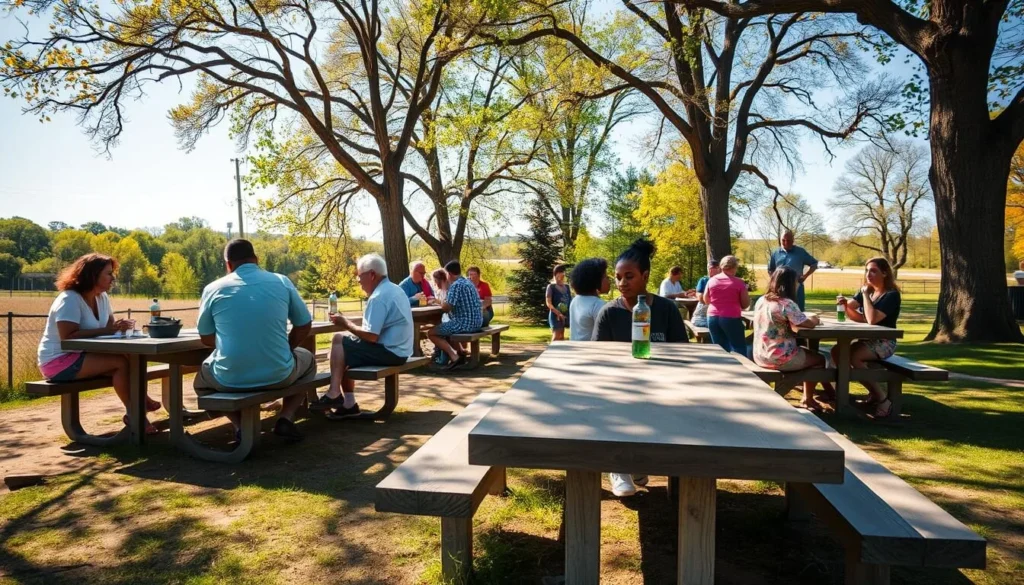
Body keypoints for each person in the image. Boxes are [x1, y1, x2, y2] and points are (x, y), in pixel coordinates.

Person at [193, 239, 316, 441]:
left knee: (201, 384)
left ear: (228, 264)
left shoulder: (213, 289)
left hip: (229, 378)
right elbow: (304, 324)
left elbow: (206, 337)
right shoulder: (282, 281)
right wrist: (287, 347)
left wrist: (232, 344)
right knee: (309, 361)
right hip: (279, 374)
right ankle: (285, 418)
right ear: (256, 259)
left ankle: (240, 426)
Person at [593, 239, 686, 497]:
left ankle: (640, 463)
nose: (622, 283)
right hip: (619, 389)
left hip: (661, 386)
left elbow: (683, 352)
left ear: (645, 276)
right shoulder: (608, 313)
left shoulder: (667, 309)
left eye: (629, 276)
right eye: (618, 277)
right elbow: (597, 358)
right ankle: (619, 468)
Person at [36, 253, 157, 433]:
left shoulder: (102, 298)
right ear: (93, 275)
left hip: (82, 356)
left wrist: (120, 328)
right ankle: (136, 414)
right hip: (58, 361)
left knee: (134, 359)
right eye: (108, 273)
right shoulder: (69, 299)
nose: (113, 278)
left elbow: (109, 329)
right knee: (121, 364)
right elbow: (67, 336)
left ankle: (139, 407)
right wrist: (109, 330)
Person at [310, 253, 414, 418]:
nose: (358, 282)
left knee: (339, 341)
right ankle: (348, 403)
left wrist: (345, 324)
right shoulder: (394, 289)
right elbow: (373, 329)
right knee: (341, 350)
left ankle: (335, 393)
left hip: (391, 352)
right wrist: (348, 323)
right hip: (401, 350)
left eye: (360, 277)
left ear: (372, 275)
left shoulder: (378, 297)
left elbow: (371, 336)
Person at [822, 257, 903, 418]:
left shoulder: (891, 295)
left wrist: (865, 296)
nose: (868, 274)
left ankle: (882, 399)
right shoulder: (866, 290)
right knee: (837, 351)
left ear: (885, 273)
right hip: (866, 340)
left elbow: (872, 319)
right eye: (867, 270)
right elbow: (855, 315)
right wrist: (845, 305)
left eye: (873, 271)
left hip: (885, 342)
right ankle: (845, 393)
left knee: (854, 357)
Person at [753, 267, 827, 411]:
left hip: (760, 355)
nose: (798, 284)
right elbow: (808, 324)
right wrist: (815, 319)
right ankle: (808, 399)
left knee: (806, 353)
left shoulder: (761, 300)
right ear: (790, 283)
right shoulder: (786, 304)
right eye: (796, 281)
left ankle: (824, 393)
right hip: (779, 357)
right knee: (820, 359)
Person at [427, 260, 483, 369]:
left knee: (431, 333)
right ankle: (460, 353)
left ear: (449, 274)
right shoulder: (468, 282)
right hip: (477, 322)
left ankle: (454, 356)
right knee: (447, 326)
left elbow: (447, 308)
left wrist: (437, 301)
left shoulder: (456, 285)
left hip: (465, 323)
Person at [705, 255, 751, 355]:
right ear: (735, 267)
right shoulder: (739, 283)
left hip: (712, 317)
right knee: (739, 347)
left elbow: (706, 300)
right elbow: (745, 304)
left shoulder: (711, 280)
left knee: (720, 349)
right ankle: (741, 369)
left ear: (721, 267)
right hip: (731, 317)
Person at [768, 230, 818, 310]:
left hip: (796, 288)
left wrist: (805, 276)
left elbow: (814, 264)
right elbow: (770, 269)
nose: (786, 243)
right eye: (783, 240)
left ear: (793, 240)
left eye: (788, 240)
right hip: (779, 289)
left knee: (798, 311)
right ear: (780, 239)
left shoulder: (800, 252)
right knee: (779, 312)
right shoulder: (776, 253)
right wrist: (774, 282)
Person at [568, 258, 610, 341]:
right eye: (606, 277)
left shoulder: (575, 300)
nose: (609, 281)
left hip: (575, 349)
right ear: (595, 280)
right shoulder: (598, 305)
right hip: (591, 351)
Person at [545, 264, 573, 341]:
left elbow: (570, 300)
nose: (562, 274)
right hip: (555, 315)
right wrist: (558, 313)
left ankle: (561, 352)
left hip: (565, 314)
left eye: (563, 272)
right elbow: (548, 303)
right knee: (556, 335)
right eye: (560, 272)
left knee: (561, 336)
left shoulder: (567, 287)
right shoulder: (551, 287)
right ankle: (551, 352)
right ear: (555, 274)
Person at [691, 260, 721, 327]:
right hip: (703, 315)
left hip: (720, 314)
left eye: (713, 268)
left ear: (718, 269)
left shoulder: (723, 280)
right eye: (709, 268)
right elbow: (700, 297)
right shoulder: (704, 280)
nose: (710, 270)